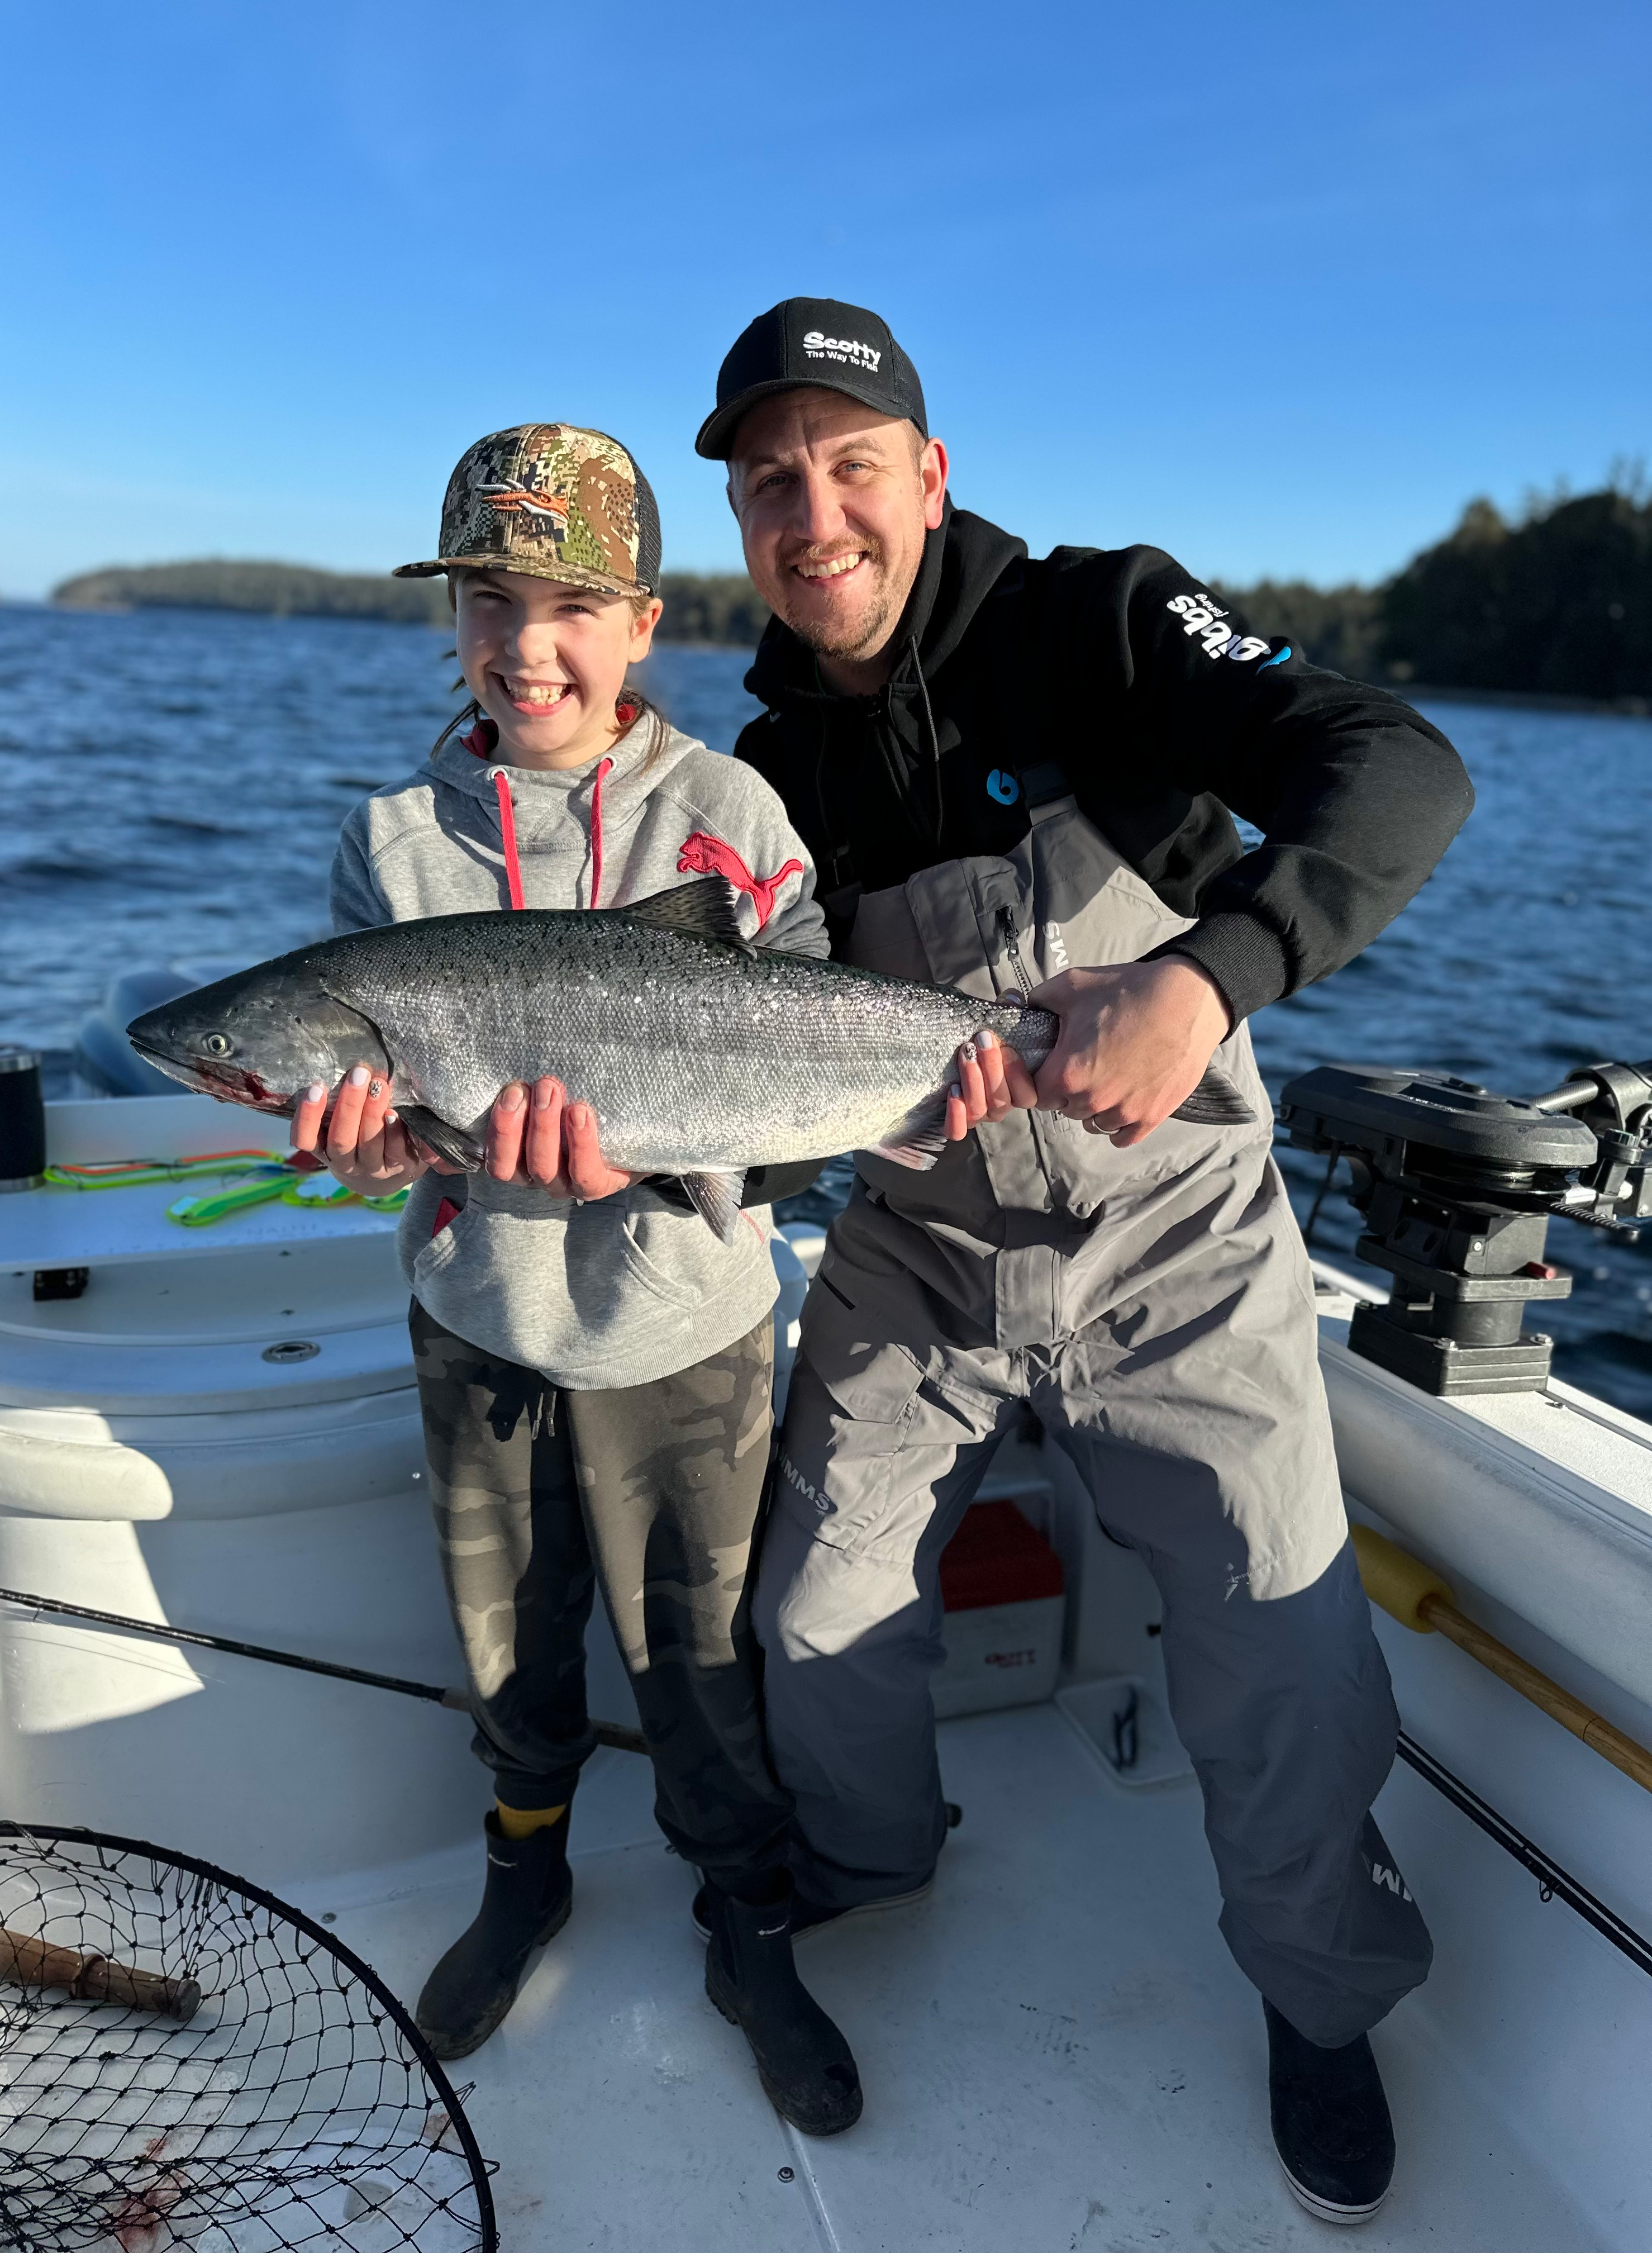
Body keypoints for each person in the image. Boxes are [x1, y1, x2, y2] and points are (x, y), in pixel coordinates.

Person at [695, 300, 1475, 2223]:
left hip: (1178, 1239)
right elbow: (756, 1084)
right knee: (811, 1620)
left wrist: (1211, 976)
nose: (818, 517)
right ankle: (877, 1864)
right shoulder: (760, 774)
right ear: (742, 522)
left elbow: (1398, 767)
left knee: (1281, 1641)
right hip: (919, 1248)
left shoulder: (1102, 622)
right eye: (773, 482)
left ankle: (1320, 1999)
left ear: (929, 475)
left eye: (851, 465)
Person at [292, 422, 861, 2137]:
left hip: (685, 1327)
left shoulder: (728, 814)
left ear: (641, 623)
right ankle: (524, 1877)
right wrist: (362, 1151)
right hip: (481, 1318)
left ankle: (744, 1920)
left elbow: (818, 1058)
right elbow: (346, 1119)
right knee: (507, 1648)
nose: (521, 642)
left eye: (564, 602)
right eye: (484, 598)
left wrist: (691, 1151)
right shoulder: (393, 842)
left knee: (697, 1655)